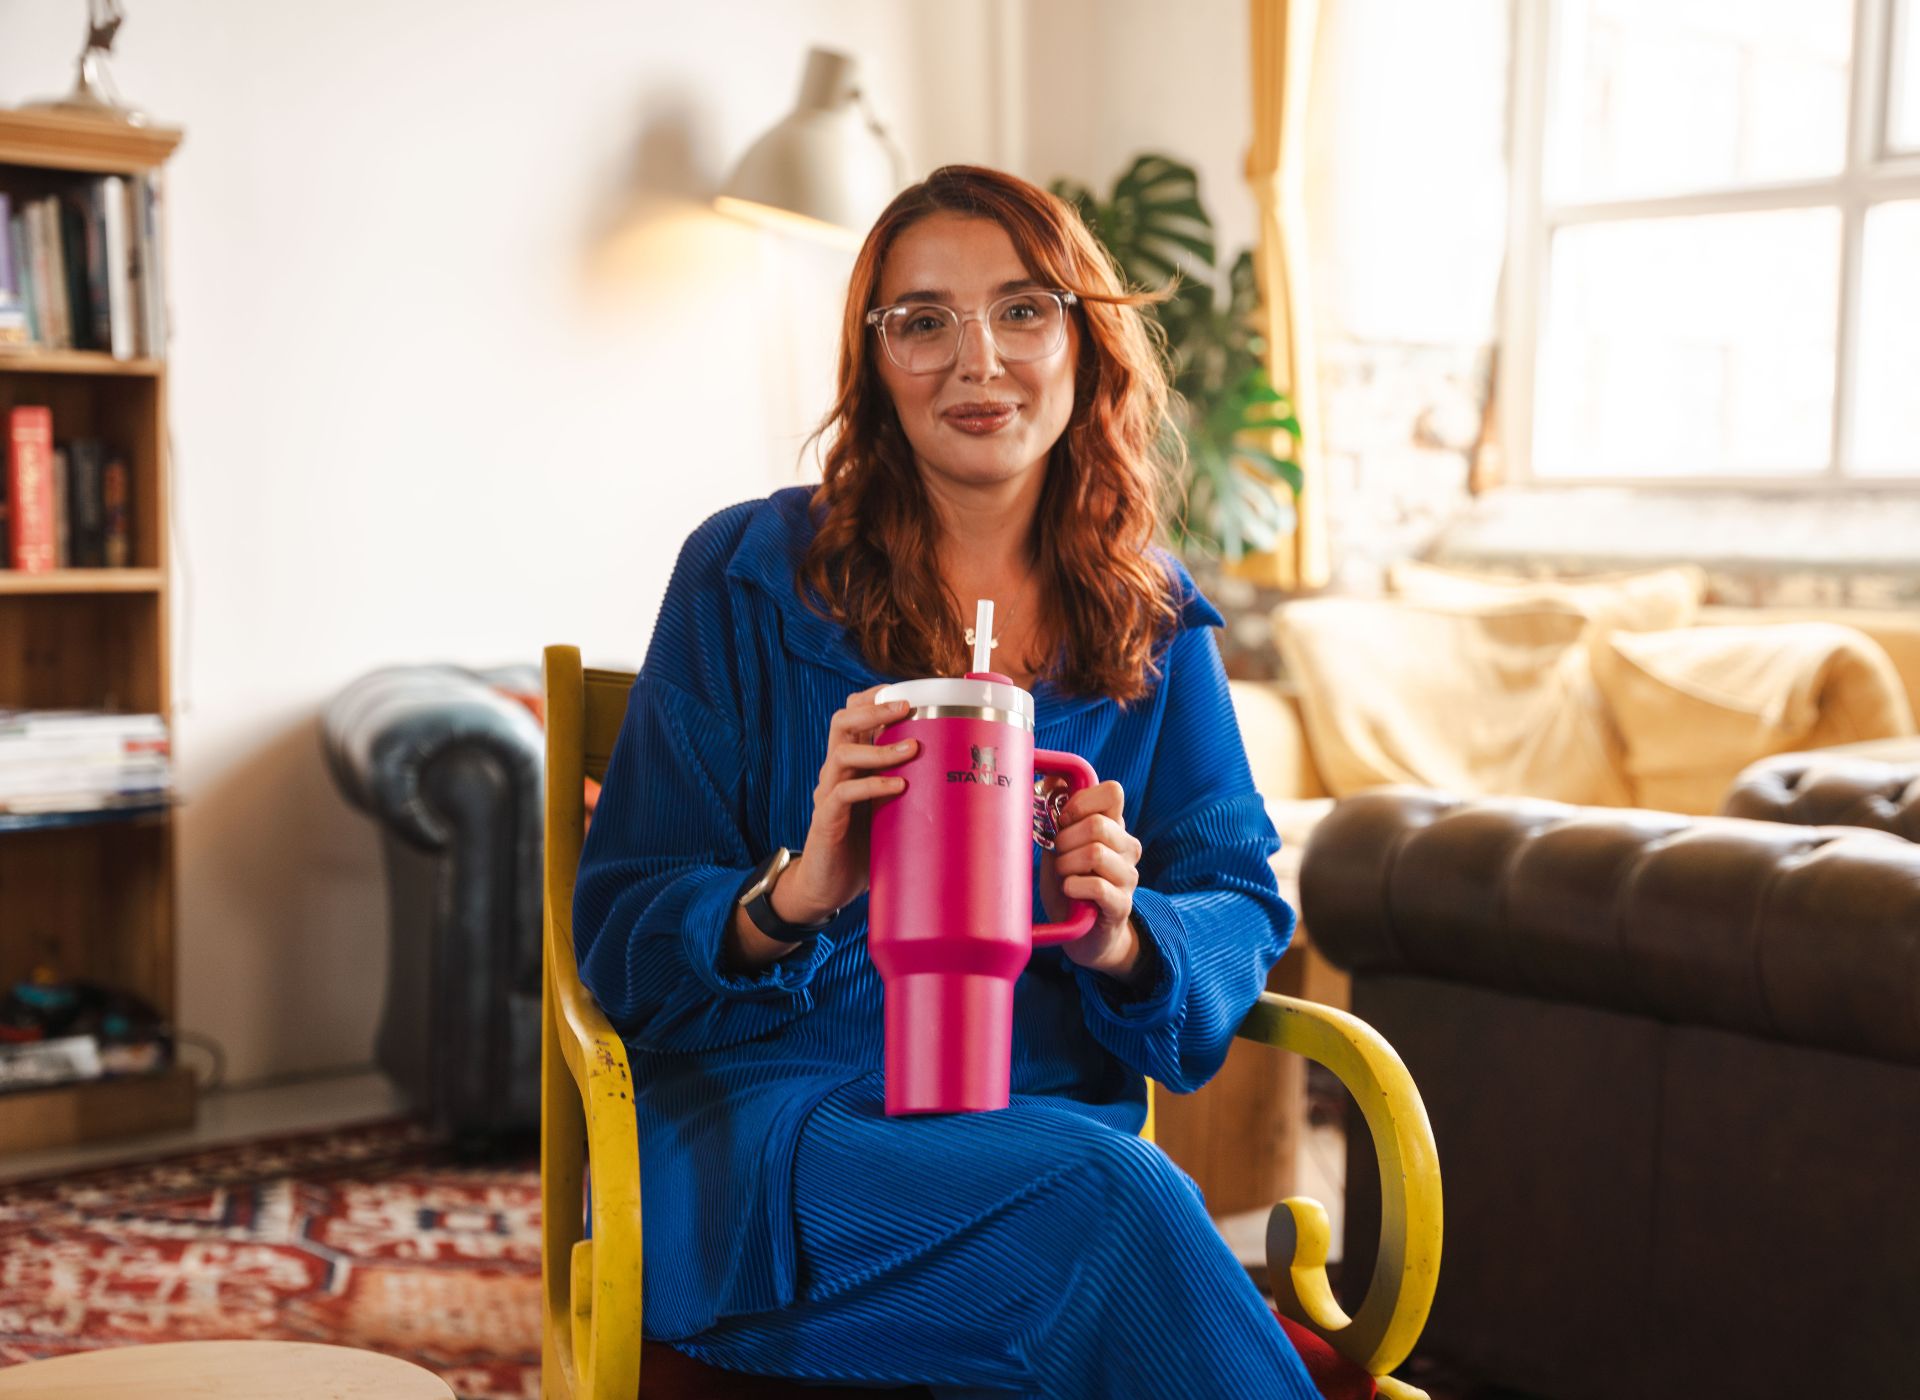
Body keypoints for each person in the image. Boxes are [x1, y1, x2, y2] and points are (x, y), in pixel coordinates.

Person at [573, 165, 1317, 1399]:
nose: (980, 361)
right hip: (775, 1147)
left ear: (1084, 339)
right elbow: (624, 930)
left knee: (1099, 1218)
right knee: (1119, 1209)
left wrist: (1128, 932)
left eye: (1024, 310)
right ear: (876, 362)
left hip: (1035, 1134)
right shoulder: (744, 575)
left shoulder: (1153, 621)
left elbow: (1236, 891)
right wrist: (791, 893)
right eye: (924, 320)